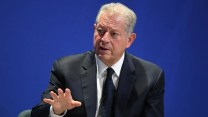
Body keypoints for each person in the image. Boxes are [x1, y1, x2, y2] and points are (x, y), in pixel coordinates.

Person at [31, 2, 164, 117]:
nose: (104, 39)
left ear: (129, 40)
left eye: (114, 34)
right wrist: (56, 111)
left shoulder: (150, 77)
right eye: (100, 31)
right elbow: (36, 113)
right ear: (94, 29)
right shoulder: (65, 68)